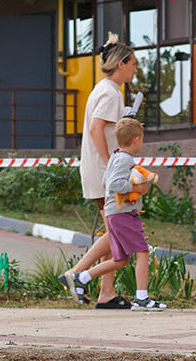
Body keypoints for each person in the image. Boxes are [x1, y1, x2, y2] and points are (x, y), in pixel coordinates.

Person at [61, 33, 138, 309]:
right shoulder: (109, 93)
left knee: (113, 229)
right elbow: (96, 129)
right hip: (103, 171)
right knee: (117, 231)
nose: (135, 69)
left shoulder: (104, 90)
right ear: (121, 64)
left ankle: (106, 292)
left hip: (98, 169)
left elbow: (102, 129)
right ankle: (75, 274)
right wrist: (110, 165)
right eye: (133, 64)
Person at [64, 118, 167, 312]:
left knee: (121, 260)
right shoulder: (125, 159)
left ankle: (81, 277)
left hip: (115, 213)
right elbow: (113, 184)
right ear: (136, 139)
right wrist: (136, 187)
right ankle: (142, 298)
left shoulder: (115, 156)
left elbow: (105, 179)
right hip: (123, 213)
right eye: (142, 139)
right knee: (143, 251)